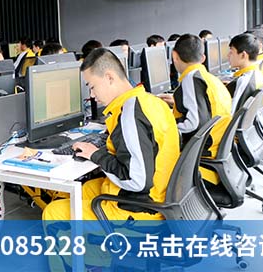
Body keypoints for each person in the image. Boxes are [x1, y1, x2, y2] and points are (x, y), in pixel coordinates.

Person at [43, 48, 180, 221]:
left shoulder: (131, 114)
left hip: (140, 210)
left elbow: (136, 180)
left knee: (53, 212)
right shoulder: (149, 101)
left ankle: (98, 237)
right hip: (160, 193)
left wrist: (96, 155)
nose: (92, 95)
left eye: (92, 87)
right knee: (84, 189)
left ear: (109, 77)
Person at [157, 34, 232, 184]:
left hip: (204, 150)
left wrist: (164, 128)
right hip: (219, 145)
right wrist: (178, 102)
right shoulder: (208, 77)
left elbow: (193, 123)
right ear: (203, 58)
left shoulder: (191, 79)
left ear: (174, 56)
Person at [226, 33, 263, 114]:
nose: (228, 55)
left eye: (231, 52)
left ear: (243, 55)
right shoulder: (258, 74)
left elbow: (233, 114)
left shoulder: (244, 81)